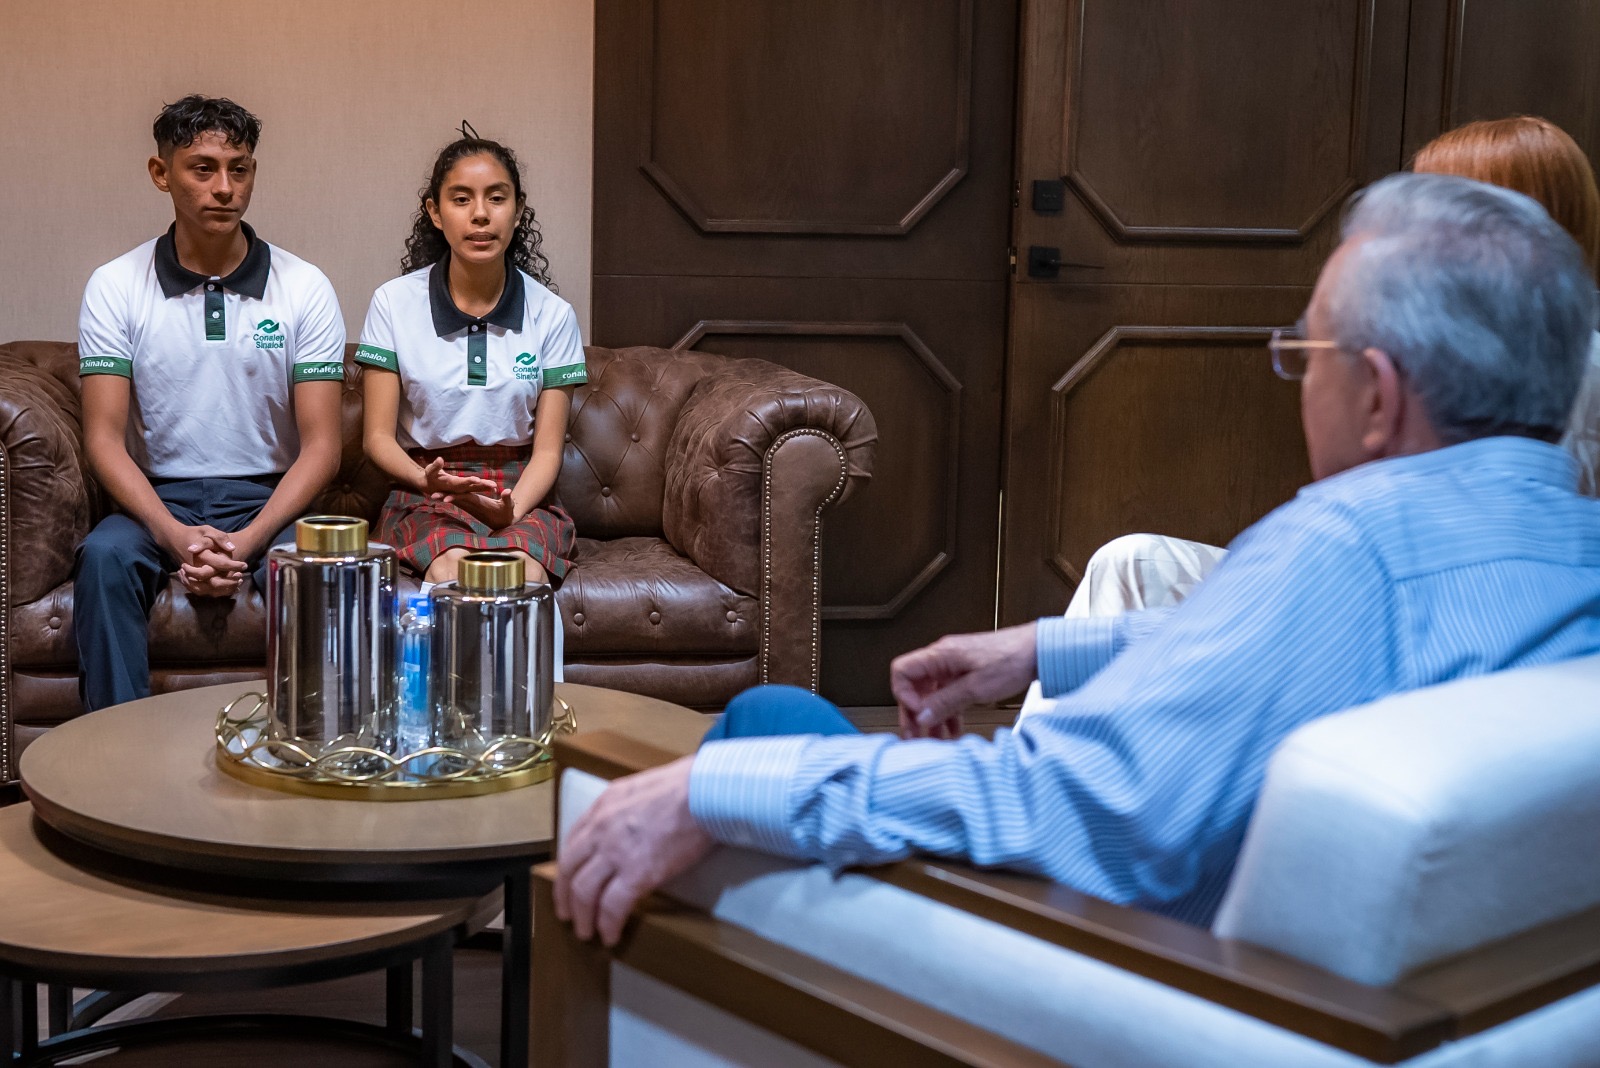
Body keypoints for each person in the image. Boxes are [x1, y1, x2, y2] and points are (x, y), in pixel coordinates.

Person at [554, 172, 1600, 946]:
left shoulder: (1345, 549)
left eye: (1306, 352)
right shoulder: (1565, 545)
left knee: (761, 734)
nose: (1294, 380)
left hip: (1102, 964)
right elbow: (1299, 657)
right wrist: (1040, 651)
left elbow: (1051, 800)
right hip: (1410, 989)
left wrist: (720, 792)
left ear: (1378, 396)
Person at [1063, 115, 1600, 623]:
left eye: (1422, 210)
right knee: (1129, 563)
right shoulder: (1457, 347)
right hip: (1362, 587)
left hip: (1410, 617)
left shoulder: (1535, 372)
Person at [74, 95, 345, 712]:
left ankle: (315, 748)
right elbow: (103, 440)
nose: (225, 188)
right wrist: (174, 536)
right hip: (155, 499)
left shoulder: (305, 287)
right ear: (160, 173)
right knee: (103, 558)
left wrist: (248, 541)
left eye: (239, 169)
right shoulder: (115, 286)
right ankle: (116, 750)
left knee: (321, 566)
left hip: (269, 498)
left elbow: (323, 447)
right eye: (203, 168)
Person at [355, 131, 584, 590]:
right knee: (453, 569)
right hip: (427, 488)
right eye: (461, 199)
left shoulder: (553, 314)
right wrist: (427, 480)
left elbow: (547, 452)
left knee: (522, 573)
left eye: (496, 198)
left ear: (518, 210)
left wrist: (511, 509)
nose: (480, 213)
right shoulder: (393, 303)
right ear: (435, 212)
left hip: (518, 489)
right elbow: (376, 438)